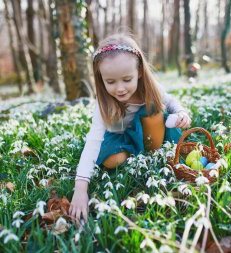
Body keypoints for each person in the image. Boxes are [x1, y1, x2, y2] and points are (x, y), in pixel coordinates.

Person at [69, 33, 192, 223]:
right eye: (110, 82)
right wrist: (80, 189)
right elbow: (93, 143)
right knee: (113, 160)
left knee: (156, 111)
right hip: (120, 139)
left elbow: (171, 101)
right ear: (101, 78)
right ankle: (136, 158)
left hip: (149, 130)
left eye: (127, 79)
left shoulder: (150, 89)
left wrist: (182, 113)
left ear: (140, 71)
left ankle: (154, 153)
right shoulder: (103, 106)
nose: (120, 88)